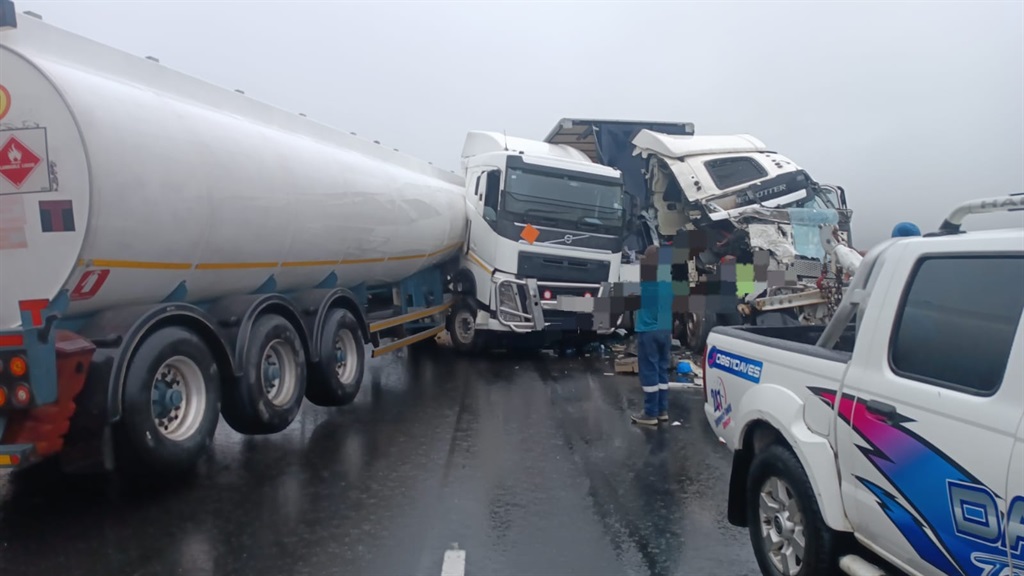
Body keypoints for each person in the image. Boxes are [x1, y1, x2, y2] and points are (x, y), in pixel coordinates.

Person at [632, 245, 674, 426]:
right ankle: (662, 410)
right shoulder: (667, 283)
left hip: (648, 331)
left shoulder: (645, 283)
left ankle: (650, 413)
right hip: (665, 331)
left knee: (649, 371)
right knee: (662, 371)